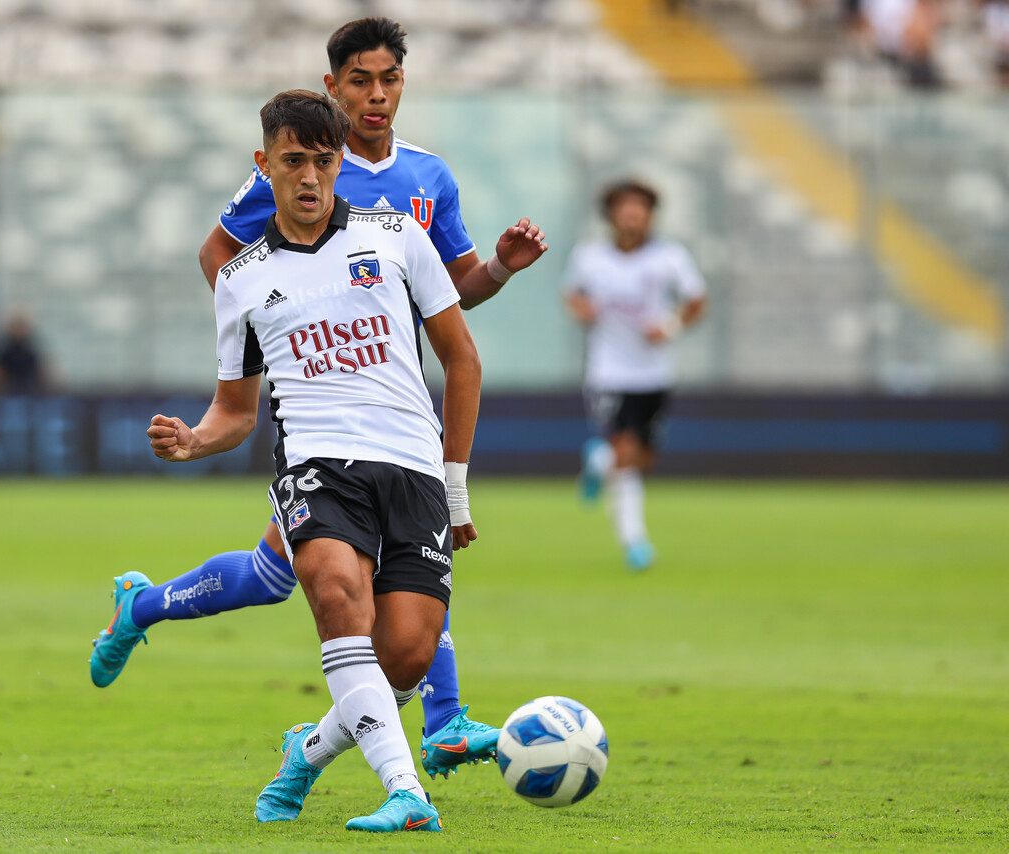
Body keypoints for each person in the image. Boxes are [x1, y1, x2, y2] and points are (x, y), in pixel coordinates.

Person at [89, 16, 548, 778]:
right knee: (354, 576)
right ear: (333, 87)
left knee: (283, 577)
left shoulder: (427, 177)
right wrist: (293, 325)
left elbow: (454, 292)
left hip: (390, 397)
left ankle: (143, 606)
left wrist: (497, 268)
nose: (376, 96)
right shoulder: (300, 162)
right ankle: (442, 719)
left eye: (389, 79)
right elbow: (219, 255)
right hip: (321, 406)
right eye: (360, 80)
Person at [146, 90, 481, 831]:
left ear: (339, 164)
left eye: (322, 161)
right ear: (263, 164)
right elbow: (234, 411)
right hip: (318, 463)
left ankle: (309, 749)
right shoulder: (239, 281)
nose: (308, 176)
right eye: (292, 160)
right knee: (337, 600)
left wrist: (455, 488)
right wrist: (194, 441)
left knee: (406, 655)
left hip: (412, 465)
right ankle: (407, 794)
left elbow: (462, 360)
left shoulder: (397, 238)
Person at [562, 179, 706, 571]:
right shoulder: (589, 257)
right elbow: (571, 293)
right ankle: (635, 543)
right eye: (625, 209)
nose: (633, 216)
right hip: (607, 372)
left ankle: (598, 462)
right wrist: (582, 310)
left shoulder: (670, 258)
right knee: (626, 454)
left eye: (640, 209)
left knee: (640, 458)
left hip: (654, 374)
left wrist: (671, 325)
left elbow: (697, 299)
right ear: (611, 215)